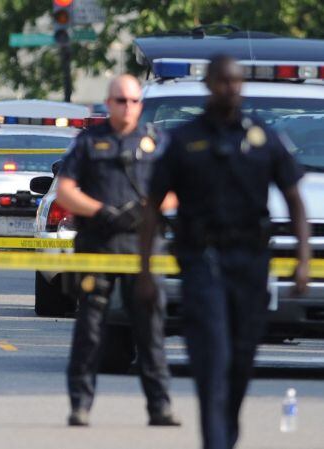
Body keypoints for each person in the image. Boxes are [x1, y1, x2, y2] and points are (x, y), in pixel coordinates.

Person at [137, 55, 310, 449]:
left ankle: (224, 436)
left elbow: (295, 199)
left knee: (241, 363)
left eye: (236, 82)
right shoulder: (183, 140)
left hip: (250, 264)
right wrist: (145, 272)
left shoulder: (262, 137)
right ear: (210, 84)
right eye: (223, 81)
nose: (231, 88)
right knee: (212, 359)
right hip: (203, 262)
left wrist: (302, 259)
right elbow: (152, 207)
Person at [56, 75, 180, 427]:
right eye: (120, 101)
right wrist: (100, 211)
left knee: (150, 331)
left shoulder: (157, 142)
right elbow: (65, 190)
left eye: (133, 101)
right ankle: (80, 405)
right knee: (90, 332)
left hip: (142, 251)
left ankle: (160, 407)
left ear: (141, 104)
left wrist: (148, 208)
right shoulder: (89, 142)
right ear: (108, 103)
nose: (128, 107)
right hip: (97, 248)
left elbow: (179, 190)